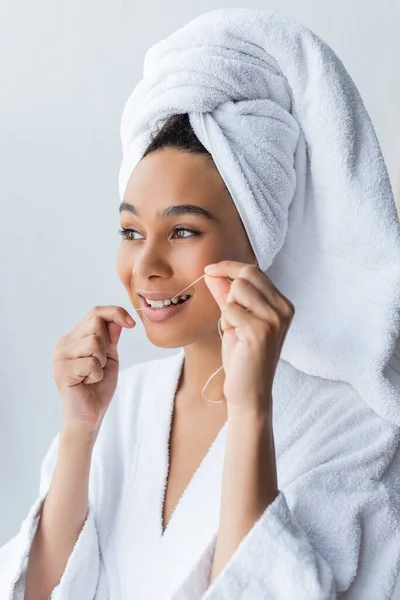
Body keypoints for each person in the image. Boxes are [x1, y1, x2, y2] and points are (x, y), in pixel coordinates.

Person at [2, 9, 400, 600]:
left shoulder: (355, 427)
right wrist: (80, 431)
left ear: (259, 238)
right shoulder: (120, 406)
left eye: (183, 231)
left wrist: (252, 413)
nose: (146, 266)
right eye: (132, 232)